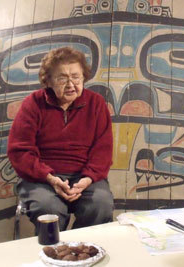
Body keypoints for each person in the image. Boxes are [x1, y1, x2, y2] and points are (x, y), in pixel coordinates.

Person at [8, 47, 114, 233]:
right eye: (62, 78)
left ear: (84, 78)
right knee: (49, 210)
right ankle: (54, 254)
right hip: (41, 178)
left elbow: (103, 151)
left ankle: (82, 251)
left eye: (76, 77)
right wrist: (50, 178)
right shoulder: (33, 104)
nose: (71, 84)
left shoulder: (96, 104)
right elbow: (20, 151)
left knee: (101, 204)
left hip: (84, 177)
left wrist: (87, 180)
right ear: (48, 81)